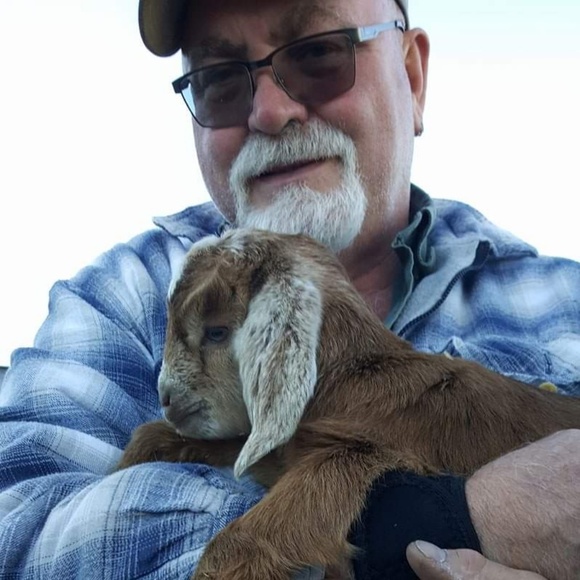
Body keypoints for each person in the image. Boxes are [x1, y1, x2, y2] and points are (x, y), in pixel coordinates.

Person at [0, 0, 578, 578]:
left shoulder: (564, 302)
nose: (270, 113)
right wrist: (443, 522)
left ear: (412, 76)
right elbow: (16, 527)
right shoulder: (123, 296)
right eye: (219, 80)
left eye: (319, 54)